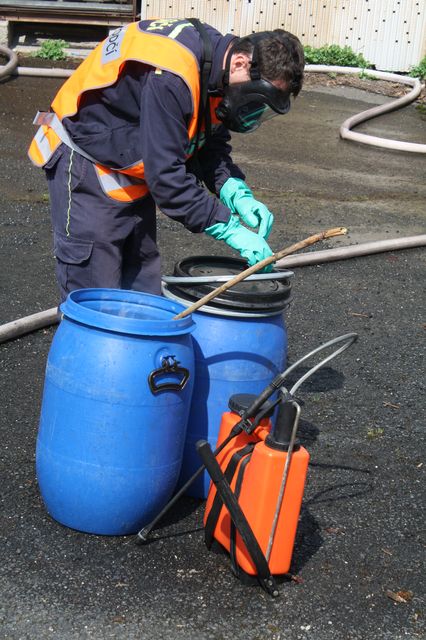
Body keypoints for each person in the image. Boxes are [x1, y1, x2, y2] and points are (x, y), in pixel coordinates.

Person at [28, 18, 305, 302]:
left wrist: (233, 188)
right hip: (88, 158)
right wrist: (229, 227)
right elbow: (167, 180)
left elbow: (207, 137)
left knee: (141, 289)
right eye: (254, 99)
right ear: (241, 63)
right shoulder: (172, 75)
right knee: (95, 296)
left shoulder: (218, 67)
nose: (252, 110)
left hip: (133, 158)